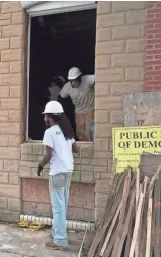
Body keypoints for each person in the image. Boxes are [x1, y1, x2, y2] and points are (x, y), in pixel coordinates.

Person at [37, 101, 78, 250]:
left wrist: (40, 165)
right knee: (62, 204)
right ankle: (57, 232)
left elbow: (48, 155)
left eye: (45, 116)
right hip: (68, 171)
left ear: (50, 116)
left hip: (57, 172)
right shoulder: (67, 130)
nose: (44, 119)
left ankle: (60, 240)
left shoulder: (50, 132)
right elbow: (76, 150)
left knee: (58, 207)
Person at [59, 67, 95, 141]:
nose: (73, 83)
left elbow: (102, 78)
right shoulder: (67, 86)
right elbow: (61, 96)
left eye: (75, 80)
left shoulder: (88, 79)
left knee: (89, 133)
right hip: (78, 112)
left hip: (90, 110)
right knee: (80, 133)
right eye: (71, 81)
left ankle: (92, 148)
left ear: (80, 77)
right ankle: (84, 149)